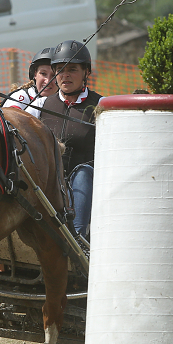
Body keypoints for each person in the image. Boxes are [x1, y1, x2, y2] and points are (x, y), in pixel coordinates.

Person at [30, 39, 102, 242]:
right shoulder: (42, 104)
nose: (65, 75)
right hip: (51, 179)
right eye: (60, 70)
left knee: (82, 173)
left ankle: (78, 240)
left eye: (72, 69)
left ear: (86, 72)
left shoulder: (101, 105)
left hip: (88, 179)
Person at [1, 47, 57, 113]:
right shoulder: (20, 97)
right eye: (43, 73)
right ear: (35, 74)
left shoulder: (66, 100)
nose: (47, 81)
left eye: (54, 75)